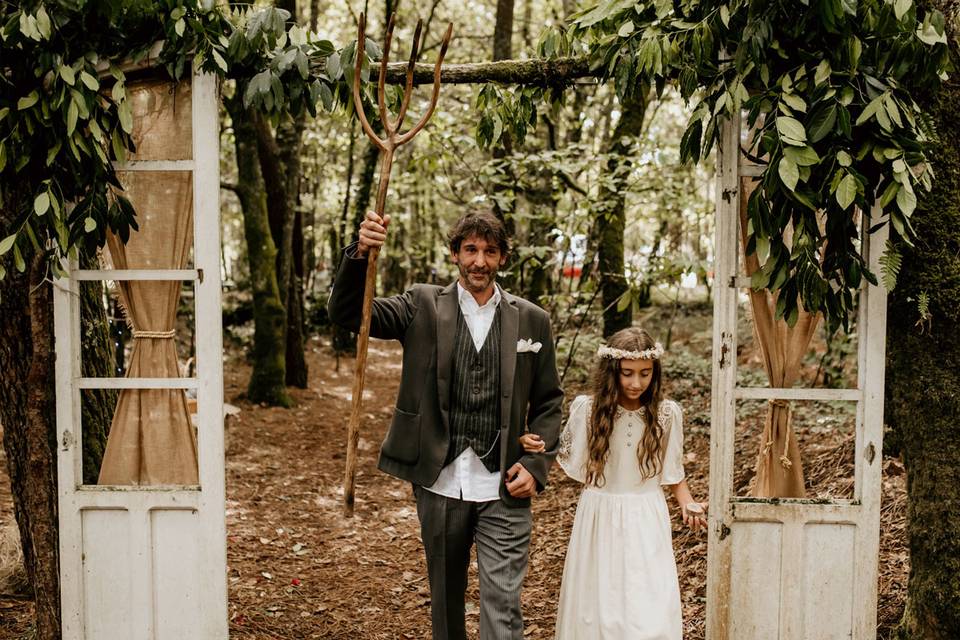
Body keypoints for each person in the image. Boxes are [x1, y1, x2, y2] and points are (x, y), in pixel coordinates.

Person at [328, 209, 564, 640]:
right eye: (470, 249)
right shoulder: (419, 304)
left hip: (504, 486)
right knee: (446, 607)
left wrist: (536, 465)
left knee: (503, 609)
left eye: (490, 251)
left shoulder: (532, 319)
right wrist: (361, 252)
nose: (480, 261)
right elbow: (348, 313)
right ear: (454, 253)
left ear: (503, 259)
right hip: (439, 483)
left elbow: (549, 401)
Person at [520, 327, 706, 640]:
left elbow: (673, 472)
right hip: (600, 514)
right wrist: (535, 447)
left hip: (647, 514)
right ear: (612, 372)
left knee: (649, 605)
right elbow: (560, 452)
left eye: (645, 374)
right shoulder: (589, 410)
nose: (636, 383)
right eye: (628, 373)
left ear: (654, 373)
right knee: (598, 606)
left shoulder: (666, 414)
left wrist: (688, 503)